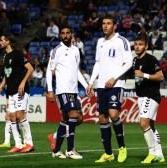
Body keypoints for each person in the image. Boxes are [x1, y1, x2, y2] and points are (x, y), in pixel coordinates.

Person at [86, 15, 133, 163]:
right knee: (102, 118)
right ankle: (108, 153)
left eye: (108, 23)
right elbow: (98, 63)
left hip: (116, 84)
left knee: (114, 115)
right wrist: (91, 82)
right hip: (101, 85)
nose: (105, 26)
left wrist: (114, 78)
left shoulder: (122, 41)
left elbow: (129, 62)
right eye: (103, 23)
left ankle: (122, 148)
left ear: (115, 26)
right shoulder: (100, 42)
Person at [46, 25, 91, 159]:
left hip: (74, 91)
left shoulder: (76, 50)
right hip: (63, 90)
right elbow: (49, 70)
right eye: (63, 33)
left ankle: (56, 149)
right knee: (73, 115)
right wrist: (49, 90)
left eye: (67, 33)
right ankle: (70, 149)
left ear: (71, 35)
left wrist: (87, 85)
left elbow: (76, 71)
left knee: (75, 119)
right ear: (61, 35)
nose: (65, 35)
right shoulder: (57, 50)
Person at [0, 33, 34, 153]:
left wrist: (23, 83)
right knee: (11, 117)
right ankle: (18, 144)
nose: (0, 42)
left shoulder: (17, 54)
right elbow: (7, 76)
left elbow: (30, 68)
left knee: (20, 115)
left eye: (2, 40)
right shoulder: (5, 56)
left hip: (20, 90)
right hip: (11, 91)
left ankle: (29, 143)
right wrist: (0, 88)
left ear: (8, 41)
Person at [133, 33, 165, 163]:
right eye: (136, 44)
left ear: (146, 46)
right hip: (141, 96)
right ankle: (160, 154)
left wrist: (144, 75)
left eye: (140, 44)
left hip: (151, 95)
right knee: (150, 124)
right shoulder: (135, 60)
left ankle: (152, 152)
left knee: (143, 123)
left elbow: (160, 76)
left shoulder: (151, 59)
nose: (137, 47)